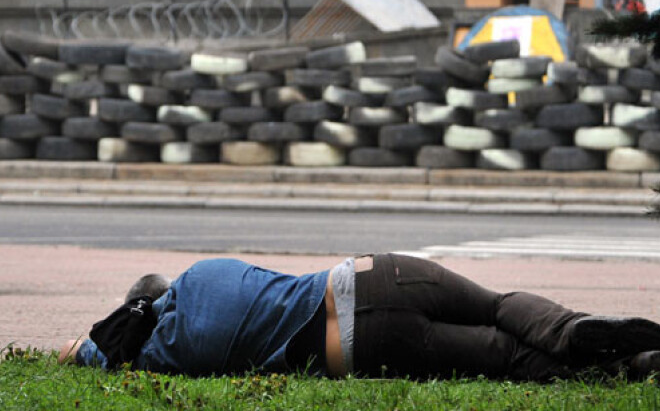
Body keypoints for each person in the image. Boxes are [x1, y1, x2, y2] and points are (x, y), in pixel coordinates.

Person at [59, 254, 660, 381]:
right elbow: (138, 312)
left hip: (363, 342)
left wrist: (89, 350)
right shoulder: (205, 273)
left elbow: (96, 350)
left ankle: (629, 366)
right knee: (500, 306)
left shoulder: (172, 355)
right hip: (370, 273)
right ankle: (571, 327)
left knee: (502, 359)